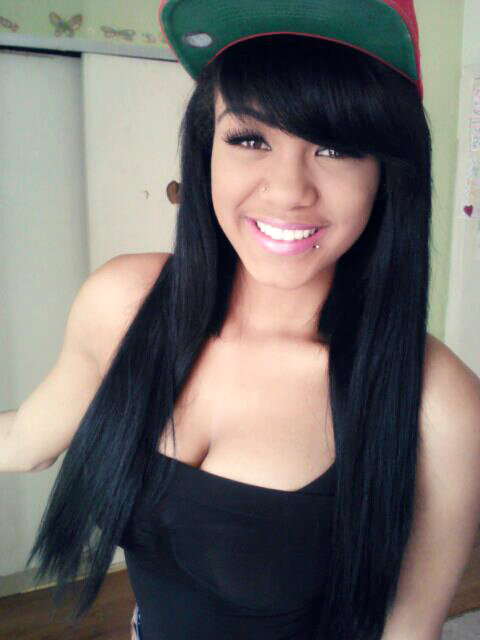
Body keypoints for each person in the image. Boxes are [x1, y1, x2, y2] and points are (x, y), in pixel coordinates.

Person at [2, 1, 480, 639]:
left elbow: (407, 631)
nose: (287, 190)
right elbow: (26, 441)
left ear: (388, 175)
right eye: (250, 138)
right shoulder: (123, 302)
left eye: (336, 146)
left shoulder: (440, 404)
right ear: (207, 149)